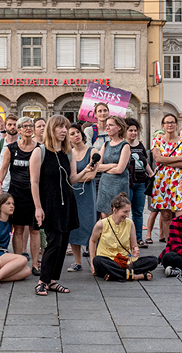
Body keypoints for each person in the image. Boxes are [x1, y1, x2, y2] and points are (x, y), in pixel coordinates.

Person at [30, 115, 79, 296]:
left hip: (67, 202)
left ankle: (52, 280)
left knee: (63, 243)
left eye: (66, 127)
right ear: (51, 129)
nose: (64, 130)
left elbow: (71, 179)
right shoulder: (40, 151)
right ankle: (42, 281)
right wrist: (38, 207)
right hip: (49, 203)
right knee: (54, 243)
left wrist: (87, 171)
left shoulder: (68, 152)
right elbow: (34, 182)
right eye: (60, 127)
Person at [0, 114, 40, 274]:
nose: (29, 128)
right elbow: (3, 168)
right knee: (19, 229)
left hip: (34, 194)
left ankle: (35, 264)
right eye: (25, 126)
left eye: (31, 126)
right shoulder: (11, 148)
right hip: (16, 193)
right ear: (19, 130)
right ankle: (18, 262)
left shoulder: (39, 148)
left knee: (35, 230)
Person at [90, 192, 158, 281]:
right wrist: (92, 263)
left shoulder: (130, 223)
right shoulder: (101, 224)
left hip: (124, 261)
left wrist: (134, 251)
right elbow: (92, 241)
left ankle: (115, 275)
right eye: (125, 212)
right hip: (108, 261)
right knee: (97, 260)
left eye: (128, 212)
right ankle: (136, 276)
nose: (127, 215)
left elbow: (134, 246)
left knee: (154, 260)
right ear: (115, 210)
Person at [150, 113, 182, 245]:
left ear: (176, 124)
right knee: (166, 215)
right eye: (167, 122)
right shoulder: (157, 140)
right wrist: (178, 158)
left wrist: (165, 161)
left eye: (172, 122)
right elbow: (158, 159)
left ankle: (181, 244)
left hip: (179, 181)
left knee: (181, 215)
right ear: (163, 125)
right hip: (162, 181)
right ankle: (170, 245)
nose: (170, 125)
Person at [67, 123, 99, 272]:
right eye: (72, 133)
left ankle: (93, 261)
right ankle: (77, 262)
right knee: (73, 228)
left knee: (90, 226)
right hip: (72, 195)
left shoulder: (92, 151)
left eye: (78, 132)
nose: (76, 135)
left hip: (87, 195)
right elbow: (68, 177)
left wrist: (74, 178)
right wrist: (76, 177)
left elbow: (91, 176)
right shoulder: (69, 153)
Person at [94, 116, 131, 219]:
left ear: (119, 127)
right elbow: (98, 167)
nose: (107, 128)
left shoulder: (125, 145)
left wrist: (105, 169)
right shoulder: (105, 144)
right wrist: (112, 165)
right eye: (107, 125)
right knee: (104, 217)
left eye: (110, 125)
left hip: (119, 186)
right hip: (104, 185)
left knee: (118, 216)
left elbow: (120, 170)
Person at [124, 119, 151, 245]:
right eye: (130, 130)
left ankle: (138, 238)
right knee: (125, 211)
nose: (133, 133)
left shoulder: (140, 145)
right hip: (127, 182)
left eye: (135, 130)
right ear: (125, 131)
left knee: (138, 212)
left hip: (140, 182)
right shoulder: (123, 145)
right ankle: (125, 238)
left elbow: (145, 162)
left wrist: (151, 174)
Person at [0, 114, 18, 194]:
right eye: (9, 125)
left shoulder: (23, 143)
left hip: (20, 186)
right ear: (5, 127)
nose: (12, 127)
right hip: (4, 187)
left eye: (15, 125)